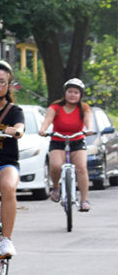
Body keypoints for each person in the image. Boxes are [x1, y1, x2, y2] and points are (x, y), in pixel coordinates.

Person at [0, 60, 25, 258]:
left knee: (8, 186)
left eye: (1, 82)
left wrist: (16, 130)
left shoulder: (14, 110)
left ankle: (6, 240)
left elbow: (20, 127)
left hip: (5, 164)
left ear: (8, 85)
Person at [39, 78, 94, 211]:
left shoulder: (84, 108)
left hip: (77, 141)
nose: (72, 94)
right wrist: (43, 130)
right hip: (58, 141)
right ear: (65, 93)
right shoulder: (55, 107)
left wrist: (89, 129)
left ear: (80, 95)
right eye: (70, 91)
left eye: (76, 92)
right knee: (56, 166)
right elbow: (47, 120)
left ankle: (84, 200)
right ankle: (56, 188)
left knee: (81, 168)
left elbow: (88, 122)